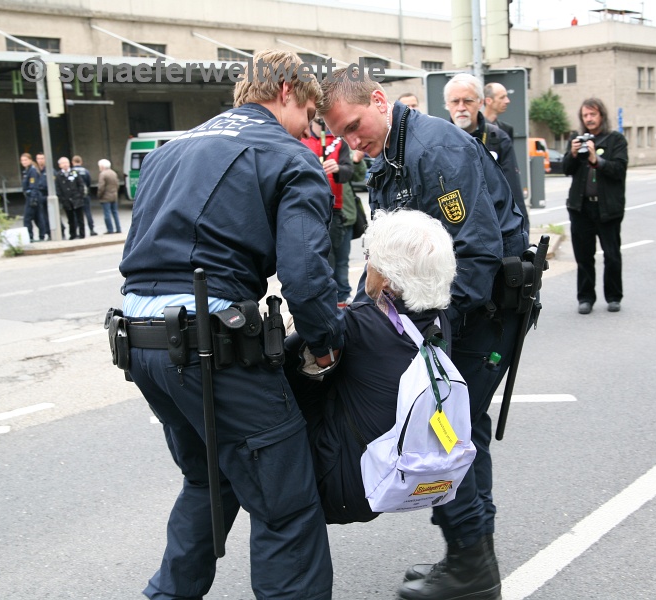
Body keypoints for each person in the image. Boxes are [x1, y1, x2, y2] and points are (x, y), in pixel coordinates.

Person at [118, 49, 344, 600]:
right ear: (286, 92)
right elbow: (305, 275)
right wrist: (325, 344)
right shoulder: (290, 157)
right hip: (215, 348)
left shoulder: (168, 153)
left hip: (140, 342)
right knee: (285, 505)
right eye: (308, 114)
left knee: (209, 480)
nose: (308, 129)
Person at [321, 67, 529, 600]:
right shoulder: (388, 154)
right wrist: (365, 310)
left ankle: (472, 565)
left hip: (483, 311)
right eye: (341, 135)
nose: (351, 142)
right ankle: (469, 557)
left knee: (445, 431)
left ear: (379, 100)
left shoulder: (435, 151)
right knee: (463, 429)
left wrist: (425, 331)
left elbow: (476, 254)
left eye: (353, 126)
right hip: (451, 309)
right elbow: (388, 253)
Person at [286, 208, 456, 524]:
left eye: (370, 257)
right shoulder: (439, 320)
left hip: (347, 485)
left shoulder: (358, 326)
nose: (366, 265)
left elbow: (293, 348)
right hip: (399, 478)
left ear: (388, 277)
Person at [563, 97, 628, 314]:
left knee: (612, 255)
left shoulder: (616, 140)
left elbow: (619, 170)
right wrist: (573, 154)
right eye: (585, 115)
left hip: (607, 208)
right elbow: (566, 169)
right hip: (580, 209)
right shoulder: (577, 139)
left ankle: (614, 297)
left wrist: (595, 159)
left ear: (602, 116)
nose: (589, 119)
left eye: (593, 114)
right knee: (583, 257)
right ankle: (585, 298)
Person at [445, 73, 528, 231]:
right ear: (447, 104)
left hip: (493, 228)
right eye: (455, 101)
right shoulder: (437, 141)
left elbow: (513, 193)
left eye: (468, 101)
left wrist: (521, 234)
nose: (461, 107)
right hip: (453, 231)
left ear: (480, 102)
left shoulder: (498, 138)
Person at [302, 117, 353, 304]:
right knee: (320, 259)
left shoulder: (339, 140)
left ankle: (342, 298)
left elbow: (349, 172)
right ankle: (325, 299)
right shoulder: (301, 138)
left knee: (339, 257)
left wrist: (338, 168)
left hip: (334, 208)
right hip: (309, 208)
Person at [55, 156, 86, 240]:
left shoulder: (74, 173)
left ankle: (82, 234)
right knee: (70, 219)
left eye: (66, 163)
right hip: (66, 201)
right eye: (63, 163)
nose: (65, 165)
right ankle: (72, 234)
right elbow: (58, 188)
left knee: (80, 218)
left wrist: (80, 195)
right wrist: (62, 199)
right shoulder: (59, 175)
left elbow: (81, 184)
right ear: (60, 165)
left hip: (77, 199)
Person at [20, 153, 45, 243]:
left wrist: (33, 198)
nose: (24, 162)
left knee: (27, 218)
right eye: (22, 160)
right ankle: (42, 235)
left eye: (25, 160)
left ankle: (29, 236)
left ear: (30, 160)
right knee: (38, 217)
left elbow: (33, 186)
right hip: (32, 196)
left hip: (33, 197)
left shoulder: (32, 171)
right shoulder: (27, 171)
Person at [71, 155, 98, 236]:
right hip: (85, 194)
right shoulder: (85, 171)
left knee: (76, 214)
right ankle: (91, 229)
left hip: (75, 196)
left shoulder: (71, 171)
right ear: (81, 162)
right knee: (88, 212)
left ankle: (77, 231)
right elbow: (89, 182)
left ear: (72, 162)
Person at [96, 159, 122, 234]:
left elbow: (101, 187)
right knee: (115, 213)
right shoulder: (113, 173)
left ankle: (110, 229)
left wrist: (99, 195)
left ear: (102, 166)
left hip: (105, 197)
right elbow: (117, 184)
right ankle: (118, 228)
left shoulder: (103, 174)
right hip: (114, 195)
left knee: (107, 214)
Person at [34, 152, 51, 240]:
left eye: (42, 158)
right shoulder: (35, 171)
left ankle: (60, 230)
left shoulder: (49, 170)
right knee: (41, 217)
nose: (40, 160)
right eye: (38, 158)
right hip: (39, 196)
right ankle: (47, 232)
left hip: (48, 195)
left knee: (51, 215)